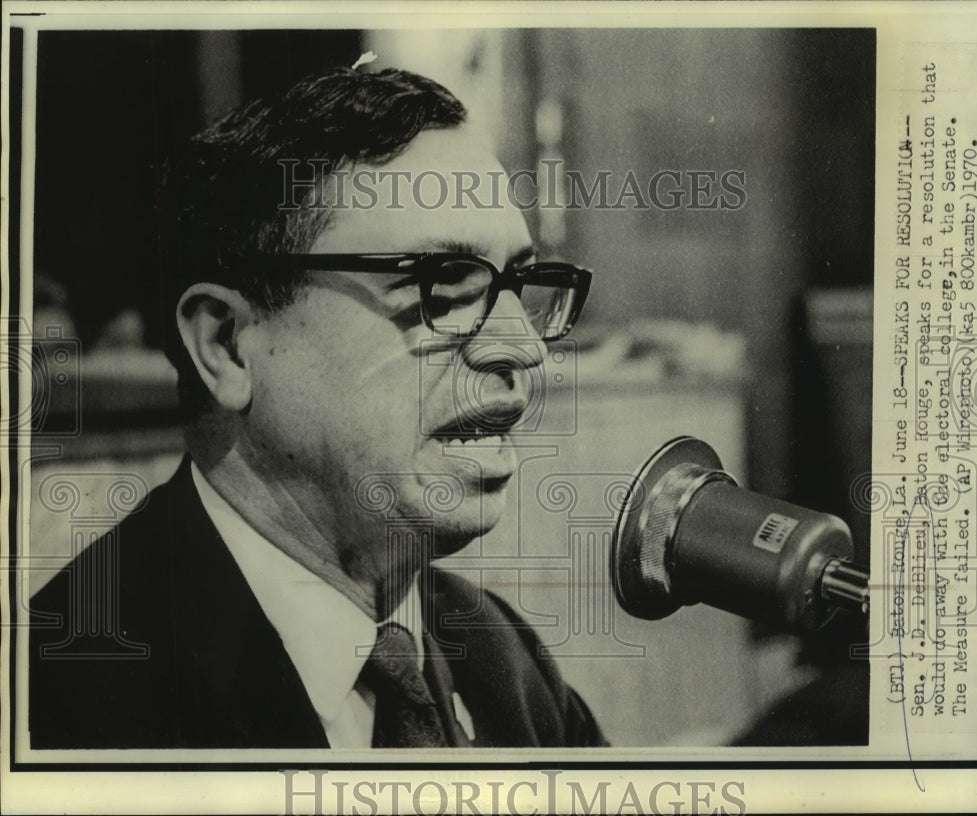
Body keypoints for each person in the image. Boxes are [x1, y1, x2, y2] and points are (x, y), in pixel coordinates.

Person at [29, 65, 605, 749]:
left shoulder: (503, 661)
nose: (522, 350)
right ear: (227, 346)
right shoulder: (64, 704)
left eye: (520, 285)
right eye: (443, 285)